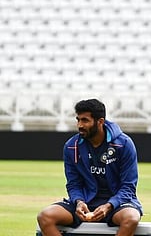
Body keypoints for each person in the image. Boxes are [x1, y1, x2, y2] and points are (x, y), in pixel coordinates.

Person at [36, 99, 143, 236]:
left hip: (117, 205)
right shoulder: (71, 146)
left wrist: (109, 205)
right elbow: (73, 184)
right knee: (45, 217)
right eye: (78, 120)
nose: (80, 125)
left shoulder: (124, 144)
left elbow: (128, 187)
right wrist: (79, 202)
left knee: (131, 218)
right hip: (85, 203)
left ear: (100, 122)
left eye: (85, 120)